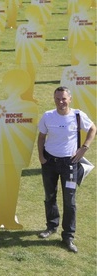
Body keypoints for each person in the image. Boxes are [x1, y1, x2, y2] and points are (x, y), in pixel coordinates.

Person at [37, 86, 95, 253]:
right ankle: (51, 226)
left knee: (69, 201)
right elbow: (41, 137)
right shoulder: (48, 116)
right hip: (49, 162)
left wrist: (84, 147)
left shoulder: (77, 116)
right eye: (57, 99)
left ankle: (68, 236)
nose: (61, 102)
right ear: (54, 99)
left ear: (70, 99)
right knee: (49, 196)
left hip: (70, 164)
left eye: (63, 98)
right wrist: (41, 157)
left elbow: (92, 128)